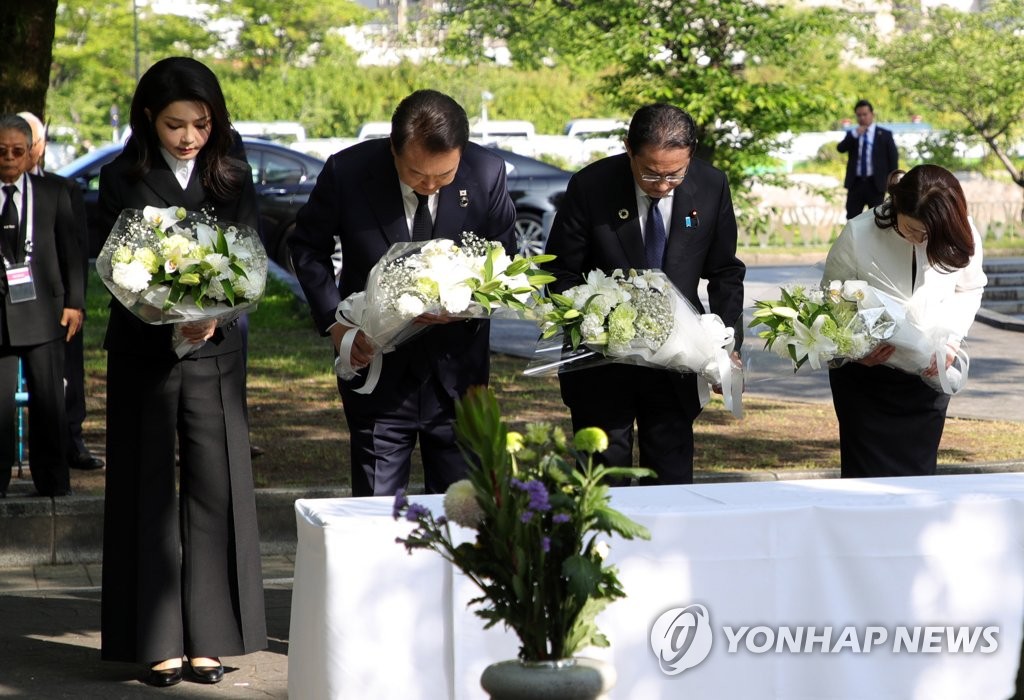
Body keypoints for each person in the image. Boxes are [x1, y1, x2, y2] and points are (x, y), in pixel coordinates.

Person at [96, 57, 266, 687]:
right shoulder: (121, 177)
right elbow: (117, 263)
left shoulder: (232, 172)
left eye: (200, 123)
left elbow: (248, 254)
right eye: (175, 125)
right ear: (149, 119)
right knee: (145, 487)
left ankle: (210, 638)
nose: (189, 136)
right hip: (144, 350)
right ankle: (155, 639)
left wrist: (214, 316)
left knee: (213, 485)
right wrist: (163, 312)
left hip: (216, 351)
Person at [289, 89, 517, 497]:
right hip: (376, 362)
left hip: (458, 373)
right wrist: (335, 326)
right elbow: (306, 247)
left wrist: (468, 304)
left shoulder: (487, 173)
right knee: (376, 511)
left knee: (461, 513)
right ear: (393, 149)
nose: (429, 186)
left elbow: (503, 259)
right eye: (416, 174)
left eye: (443, 176)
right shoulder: (349, 172)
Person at [544, 103, 746, 485]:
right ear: (628, 150)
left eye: (675, 174)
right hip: (601, 364)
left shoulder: (711, 184)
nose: (665, 185)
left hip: (677, 365)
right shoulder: (591, 187)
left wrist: (726, 344)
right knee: (603, 480)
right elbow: (559, 271)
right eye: (652, 174)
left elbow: (725, 272)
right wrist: (597, 321)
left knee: (670, 478)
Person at [822, 165, 986, 478]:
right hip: (866, 381)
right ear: (896, 206)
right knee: (865, 482)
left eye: (927, 236)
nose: (918, 240)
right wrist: (854, 350)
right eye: (911, 229)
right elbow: (830, 301)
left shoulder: (959, 231)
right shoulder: (859, 233)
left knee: (919, 478)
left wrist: (950, 341)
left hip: (929, 374)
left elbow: (970, 286)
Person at [0, 115, 85, 498]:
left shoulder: (53, 192)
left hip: (44, 311)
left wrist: (75, 303)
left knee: (49, 401)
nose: (9, 159)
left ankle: (52, 481)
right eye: (1, 152)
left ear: (32, 152)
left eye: (18, 151)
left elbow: (72, 252)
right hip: (0, 315)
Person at [18, 111, 105, 472]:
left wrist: (76, 301)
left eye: (30, 143)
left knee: (65, 373)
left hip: (54, 301)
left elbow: (76, 249)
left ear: (39, 147)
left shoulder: (62, 188)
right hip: (10, 299)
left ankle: (71, 438)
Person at [837, 99, 899, 220]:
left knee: (877, 219)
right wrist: (854, 135)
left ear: (872, 114)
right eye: (859, 115)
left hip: (876, 184)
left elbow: (893, 159)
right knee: (852, 219)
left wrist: (892, 183)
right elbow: (841, 148)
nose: (862, 118)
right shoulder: (853, 134)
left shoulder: (884, 134)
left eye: (865, 114)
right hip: (856, 183)